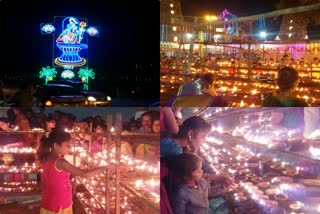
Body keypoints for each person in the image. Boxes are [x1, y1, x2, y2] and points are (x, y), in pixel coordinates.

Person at [36, 129, 107, 214]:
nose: (69, 148)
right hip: (59, 206)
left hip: (50, 203)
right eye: (67, 145)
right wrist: (106, 167)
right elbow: (86, 174)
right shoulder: (60, 162)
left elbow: (45, 183)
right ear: (56, 146)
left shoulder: (47, 159)